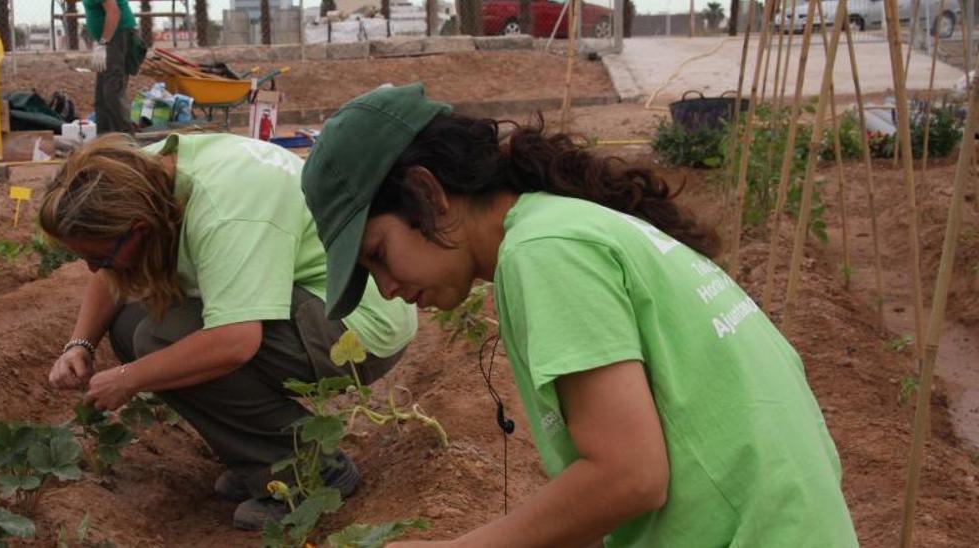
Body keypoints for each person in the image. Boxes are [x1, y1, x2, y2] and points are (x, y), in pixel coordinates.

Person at [300, 84, 857, 547]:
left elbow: (630, 477)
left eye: (377, 256)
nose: (388, 288)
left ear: (428, 193)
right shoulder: (565, 226)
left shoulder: (543, 252)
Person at [38, 133, 417, 530]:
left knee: (161, 340)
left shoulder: (225, 208)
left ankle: (312, 472)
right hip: (306, 298)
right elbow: (112, 266)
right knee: (130, 324)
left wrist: (127, 378)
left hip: (356, 320)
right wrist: (79, 344)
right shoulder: (136, 177)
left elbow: (236, 341)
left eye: (98, 257)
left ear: (138, 227)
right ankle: (262, 456)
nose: (93, 270)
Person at [85, 0, 144, 134]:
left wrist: (103, 43)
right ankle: (106, 138)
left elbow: (114, 12)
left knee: (112, 92)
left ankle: (126, 138)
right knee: (101, 97)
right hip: (110, 38)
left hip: (116, 37)